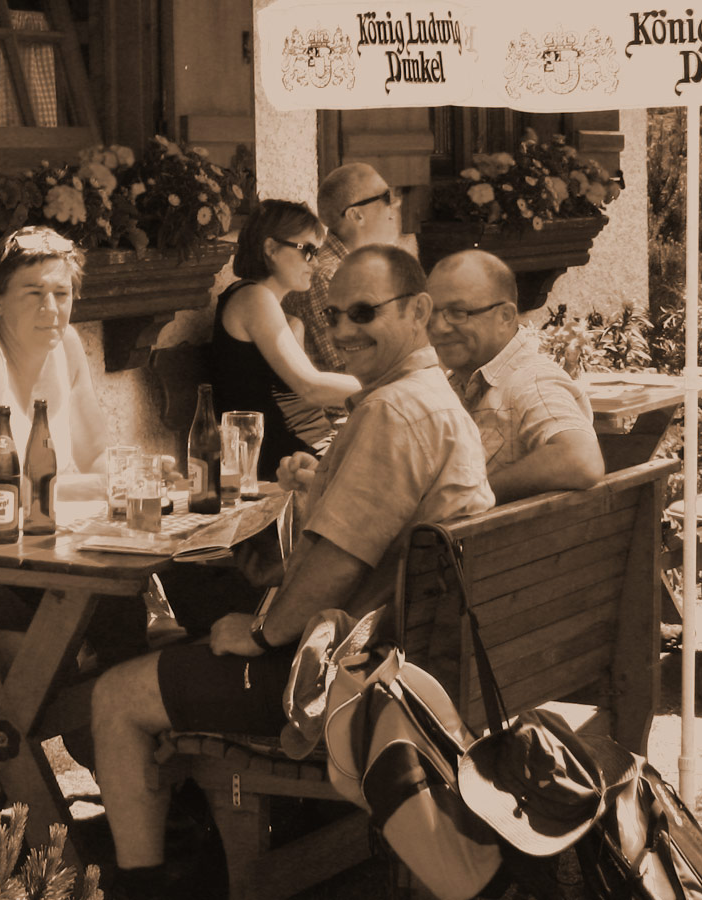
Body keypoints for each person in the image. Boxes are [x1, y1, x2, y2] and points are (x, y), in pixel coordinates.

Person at [89, 244, 493, 897]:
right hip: (419, 653)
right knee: (199, 599)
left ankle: (145, 886)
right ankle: (215, 841)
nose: (341, 332)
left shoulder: (392, 411)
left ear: (419, 311)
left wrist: (260, 633)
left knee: (116, 695)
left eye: (363, 312)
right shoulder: (432, 398)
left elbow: (337, 563)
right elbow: (365, 540)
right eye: (332, 316)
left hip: (356, 678)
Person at [0, 226, 107, 505]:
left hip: (36, 530)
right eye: (34, 293)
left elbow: (97, 455)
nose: (51, 308)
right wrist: (87, 488)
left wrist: (131, 475)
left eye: (62, 294)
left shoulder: (67, 344)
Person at [427, 249, 605, 498]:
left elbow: (580, 459)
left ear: (505, 316)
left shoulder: (530, 380)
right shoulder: (456, 384)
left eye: (458, 313)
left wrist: (472, 496)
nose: (438, 327)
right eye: (430, 313)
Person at [207, 199, 362, 481]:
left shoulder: (284, 317)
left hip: (297, 448)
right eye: (308, 251)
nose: (314, 263)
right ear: (271, 248)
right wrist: (391, 383)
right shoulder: (253, 297)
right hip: (271, 461)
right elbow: (310, 388)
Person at [296, 162, 410, 372]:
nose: (394, 208)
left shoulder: (369, 267)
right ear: (356, 215)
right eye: (386, 198)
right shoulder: (327, 276)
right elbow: (350, 365)